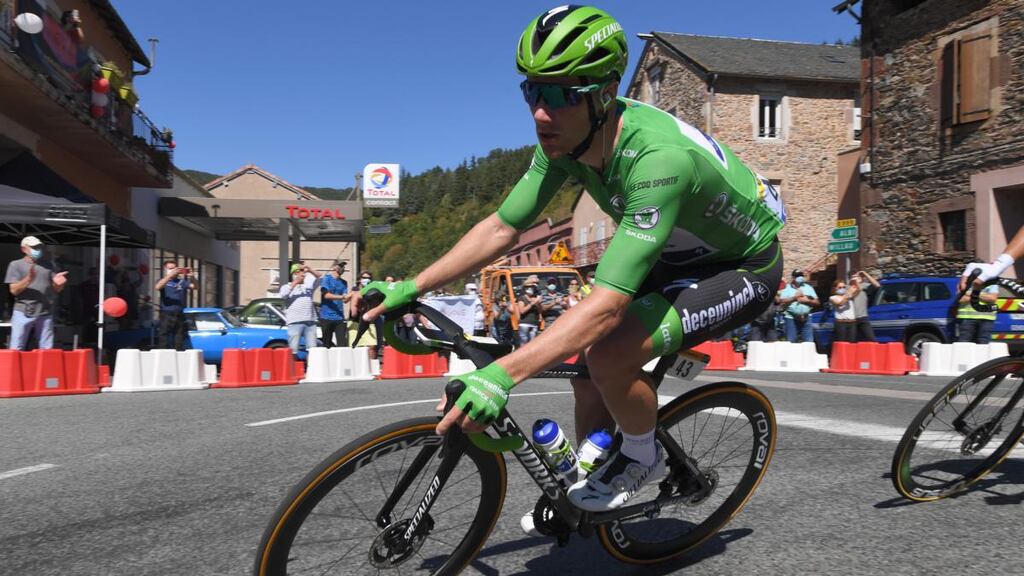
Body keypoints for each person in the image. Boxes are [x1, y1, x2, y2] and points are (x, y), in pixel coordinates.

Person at [362, 5, 785, 516]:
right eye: (533, 91)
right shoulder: (563, 144)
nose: (541, 112)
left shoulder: (658, 161)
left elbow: (606, 306)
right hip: (676, 254)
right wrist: (413, 285)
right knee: (587, 365)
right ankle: (590, 471)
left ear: (606, 94)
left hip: (740, 264)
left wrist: (500, 377)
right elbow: (502, 227)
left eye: (562, 95)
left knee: (609, 353)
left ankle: (641, 455)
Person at [5, 236, 68, 350]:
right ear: (24, 249)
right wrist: (28, 279)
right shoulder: (15, 265)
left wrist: (60, 283)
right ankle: (15, 368)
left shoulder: (48, 265)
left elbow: (56, 289)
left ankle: (46, 368)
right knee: (16, 347)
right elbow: (13, 290)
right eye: (34, 247)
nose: (37, 250)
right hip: (23, 311)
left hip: (44, 311)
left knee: (47, 348)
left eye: (39, 247)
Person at [280, 262, 320, 357]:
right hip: (295, 321)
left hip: (310, 321)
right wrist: (296, 282)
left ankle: (310, 369)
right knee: (293, 348)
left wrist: (309, 269)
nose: (303, 274)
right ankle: (292, 368)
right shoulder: (287, 286)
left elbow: (319, 277)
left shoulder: (308, 286)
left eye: (303, 272)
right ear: (295, 273)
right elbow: (283, 295)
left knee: (313, 349)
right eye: (300, 271)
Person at [155, 260, 194, 350]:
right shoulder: (163, 281)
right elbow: (157, 287)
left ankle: (178, 353)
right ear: (166, 269)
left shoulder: (181, 281)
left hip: (179, 312)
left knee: (179, 335)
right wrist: (169, 275)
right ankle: (163, 353)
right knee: (163, 334)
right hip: (166, 312)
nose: (173, 270)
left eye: (175, 268)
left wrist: (192, 277)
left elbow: (195, 287)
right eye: (170, 268)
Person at [776, 270, 818, 343]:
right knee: (791, 342)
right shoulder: (787, 288)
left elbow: (817, 302)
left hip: (806, 318)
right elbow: (781, 301)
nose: (800, 278)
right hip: (791, 319)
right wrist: (794, 297)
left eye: (801, 276)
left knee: (808, 342)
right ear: (793, 278)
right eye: (798, 276)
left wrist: (807, 301)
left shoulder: (808, 288)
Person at [319, 261, 351, 348]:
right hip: (326, 317)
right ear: (334, 267)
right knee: (327, 345)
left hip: (339, 317)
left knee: (342, 344)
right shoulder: (326, 279)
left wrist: (352, 295)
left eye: (343, 266)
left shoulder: (344, 283)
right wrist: (343, 297)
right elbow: (326, 295)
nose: (342, 268)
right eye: (340, 265)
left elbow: (345, 300)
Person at [850, 270, 880, 342]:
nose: (856, 279)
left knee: (871, 339)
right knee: (852, 341)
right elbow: (854, 292)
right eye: (854, 277)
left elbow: (877, 285)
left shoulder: (864, 286)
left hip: (863, 317)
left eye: (858, 277)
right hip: (851, 319)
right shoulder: (848, 287)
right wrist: (854, 282)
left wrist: (865, 274)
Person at [829, 279, 859, 343]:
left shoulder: (849, 295)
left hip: (852, 322)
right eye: (839, 287)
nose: (842, 289)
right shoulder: (833, 297)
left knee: (852, 342)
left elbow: (857, 291)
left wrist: (855, 282)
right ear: (835, 288)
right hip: (841, 323)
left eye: (843, 287)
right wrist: (848, 293)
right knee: (842, 343)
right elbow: (840, 303)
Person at [516, 276, 542, 344]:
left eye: (532, 287)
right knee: (524, 344)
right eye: (528, 287)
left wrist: (538, 303)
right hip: (524, 324)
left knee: (533, 344)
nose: (530, 289)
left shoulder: (535, 298)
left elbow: (540, 310)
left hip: (534, 323)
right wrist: (532, 303)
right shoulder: (522, 298)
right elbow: (522, 311)